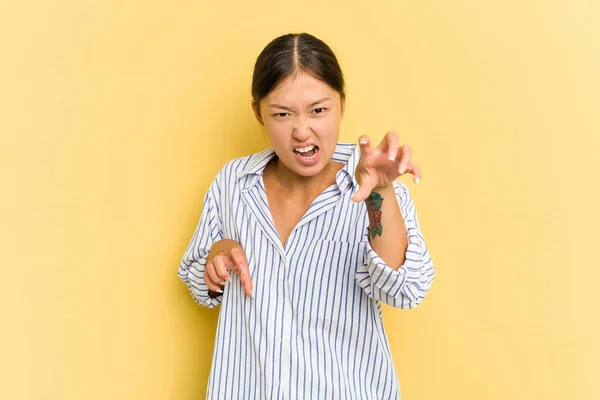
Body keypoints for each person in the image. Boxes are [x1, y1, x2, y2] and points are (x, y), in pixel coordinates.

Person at [178, 32, 436, 399]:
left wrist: (379, 192)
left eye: (318, 110)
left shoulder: (375, 182)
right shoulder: (233, 183)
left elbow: (405, 289)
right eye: (282, 114)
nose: (302, 131)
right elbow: (198, 284)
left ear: (341, 105)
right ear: (258, 113)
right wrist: (217, 255)